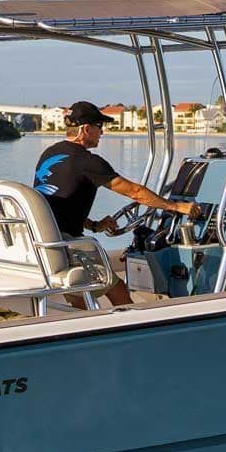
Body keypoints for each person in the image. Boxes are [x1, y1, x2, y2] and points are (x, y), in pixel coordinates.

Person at [33, 100, 198, 306]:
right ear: (86, 129)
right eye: (99, 127)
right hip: (66, 244)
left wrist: (94, 225)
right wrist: (176, 206)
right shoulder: (88, 161)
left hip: (46, 241)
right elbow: (135, 192)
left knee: (80, 296)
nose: (102, 132)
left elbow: (57, 203)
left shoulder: (50, 153)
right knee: (116, 287)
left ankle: (85, 328)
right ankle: (133, 330)